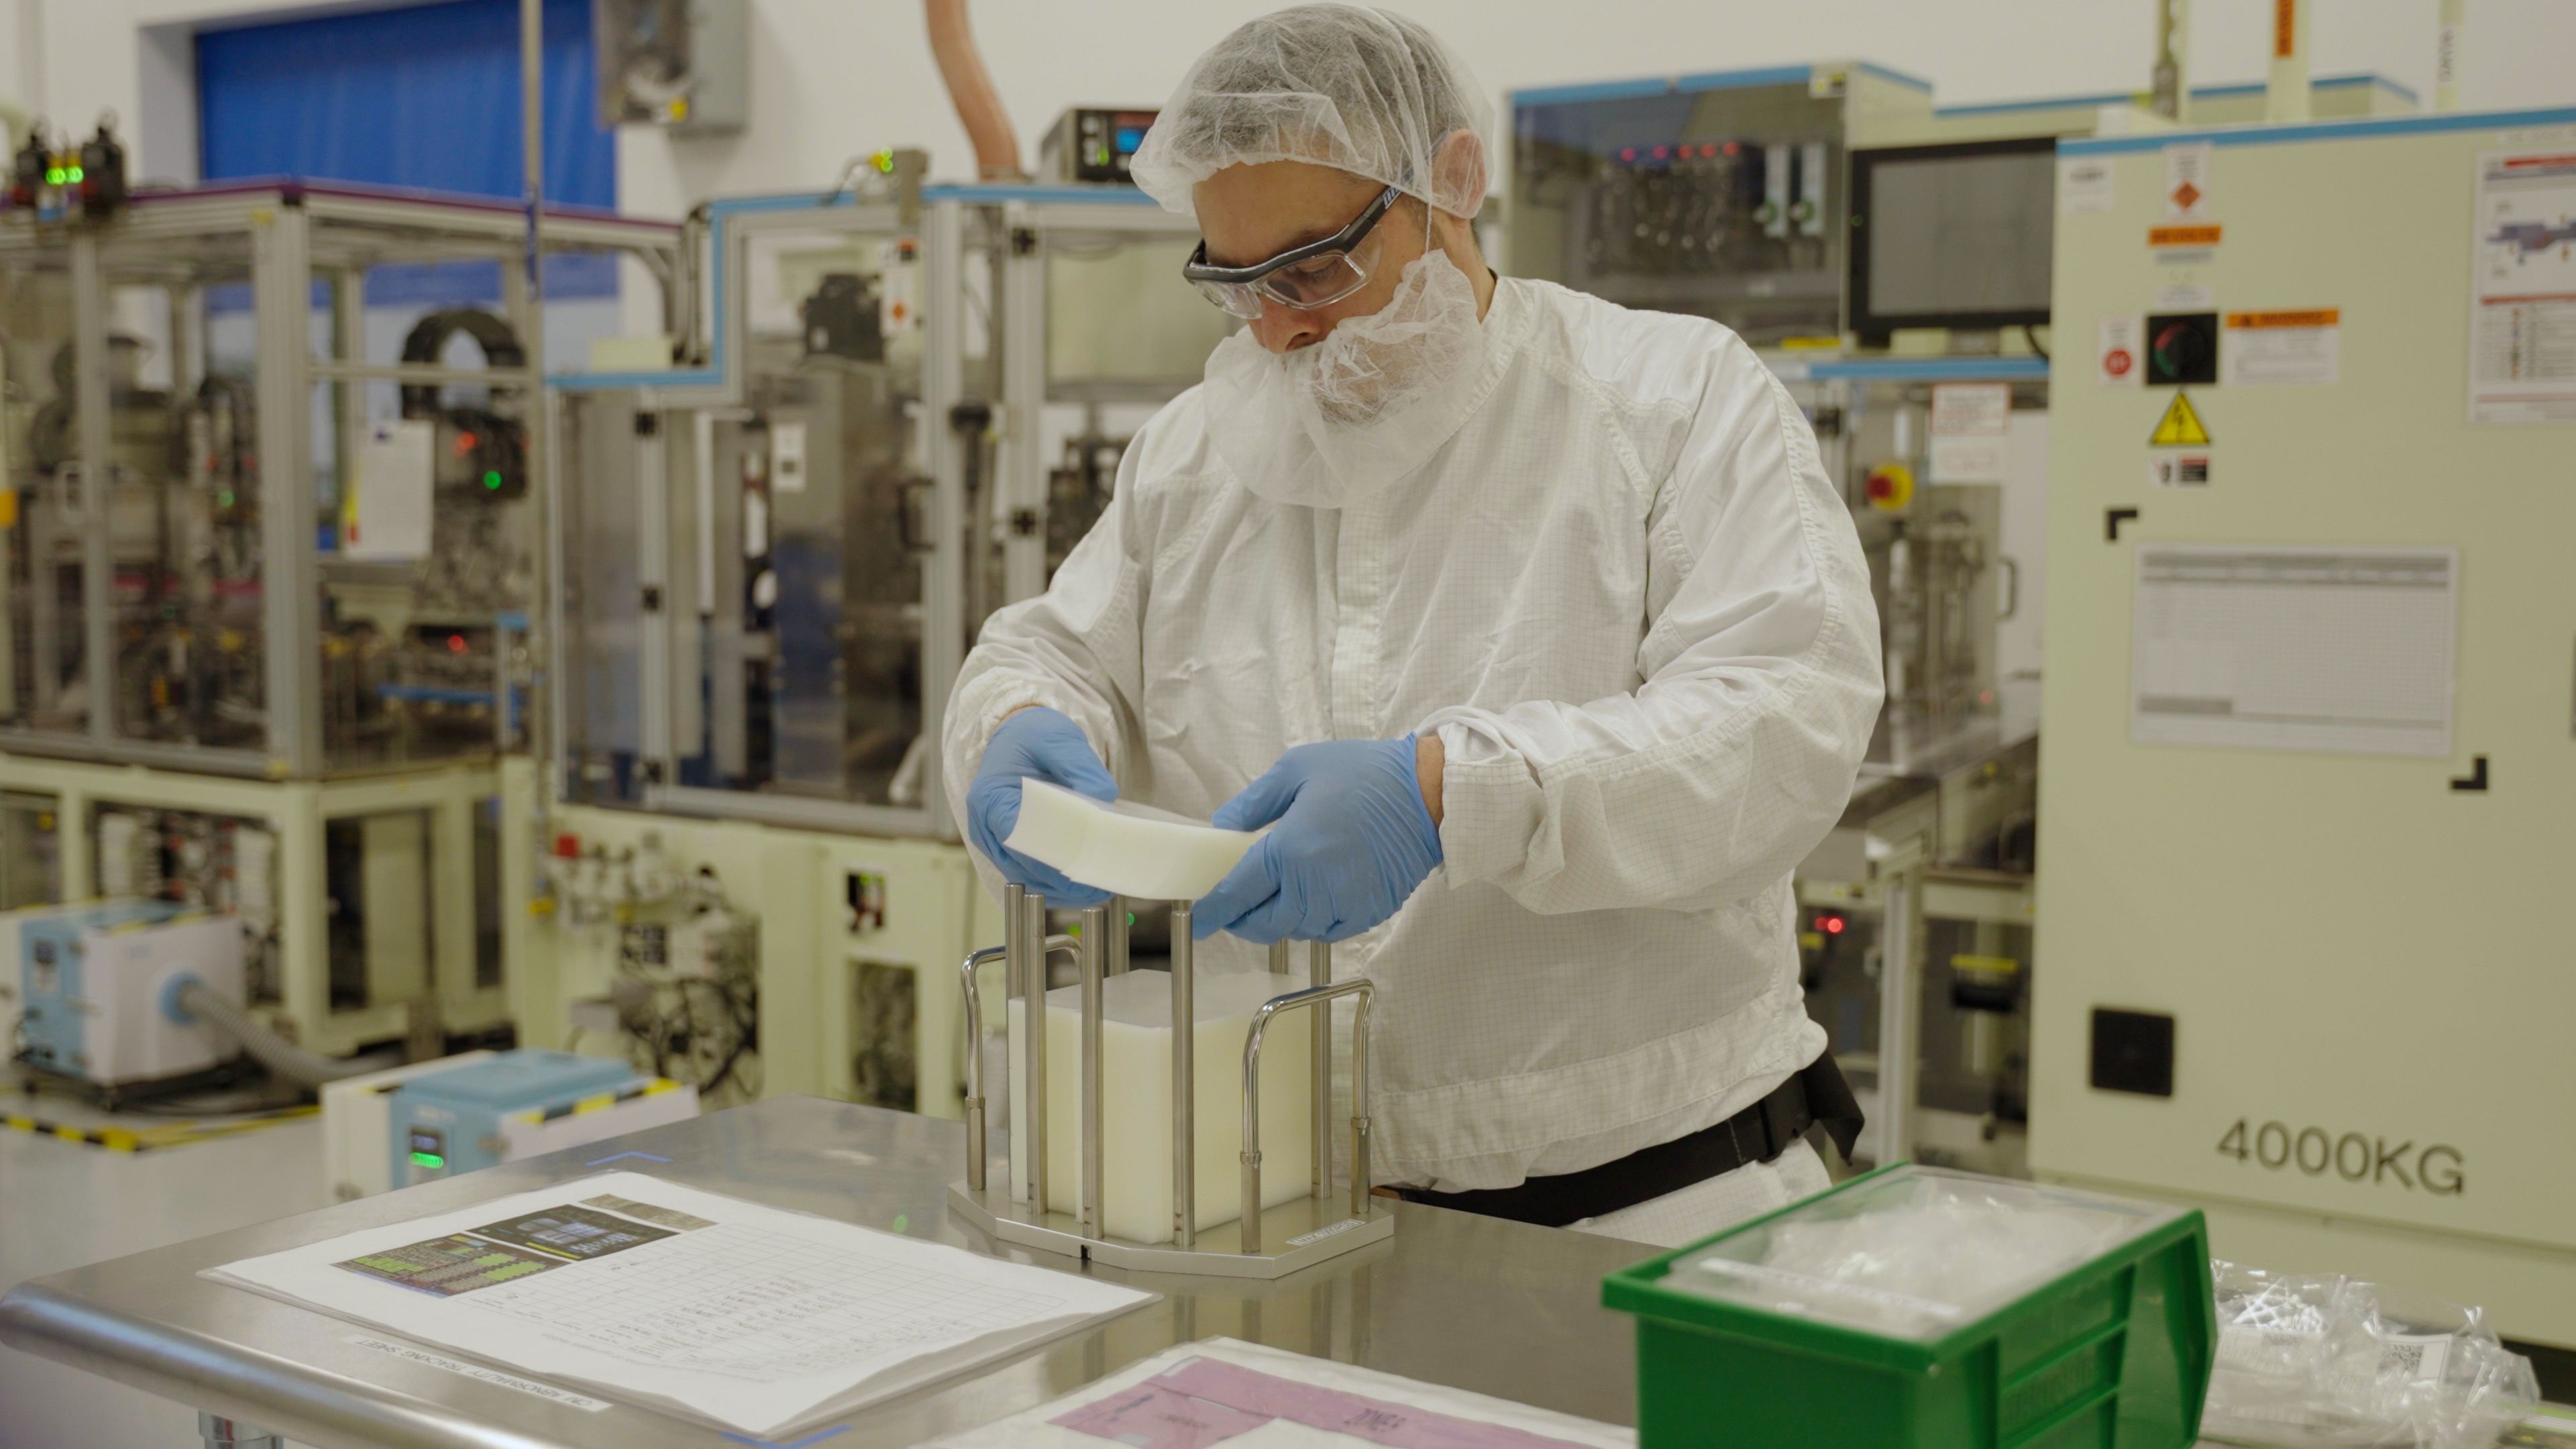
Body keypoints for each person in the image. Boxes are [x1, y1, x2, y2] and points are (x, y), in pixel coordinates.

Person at [943, 4, 1882, 1247]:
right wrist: (1014, 730)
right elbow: (1052, 650)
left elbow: (1785, 722)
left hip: (1654, 1215)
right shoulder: (1193, 458)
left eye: (1314, 269)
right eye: (1236, 284)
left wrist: (1452, 793)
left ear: (1453, 182)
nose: (1278, 328)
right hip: (1266, 1213)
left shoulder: (1671, 401)